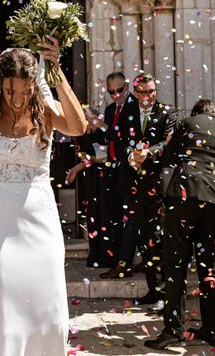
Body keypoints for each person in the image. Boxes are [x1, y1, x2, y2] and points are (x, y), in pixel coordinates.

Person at [0, 43, 87, 355]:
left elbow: (79, 126)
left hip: (39, 217)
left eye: (25, 91)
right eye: (9, 91)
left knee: (44, 291)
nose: (16, 100)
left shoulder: (46, 110)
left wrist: (56, 74)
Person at [145, 99, 215, 349]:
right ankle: (212, 329)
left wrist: (162, 197)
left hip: (186, 197)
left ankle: (173, 329)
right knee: (210, 268)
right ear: (214, 113)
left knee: (175, 264)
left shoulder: (185, 123)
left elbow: (168, 160)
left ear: (196, 114)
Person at [121, 75, 177, 308]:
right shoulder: (128, 111)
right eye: (143, 92)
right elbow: (121, 138)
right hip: (135, 184)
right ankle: (153, 288)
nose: (148, 96)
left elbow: (169, 143)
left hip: (158, 183)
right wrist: (130, 155)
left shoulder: (168, 112)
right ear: (135, 93)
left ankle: (165, 292)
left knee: (160, 236)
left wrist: (149, 153)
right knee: (144, 238)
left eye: (151, 91)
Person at [66, 107, 120, 268]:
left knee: (105, 215)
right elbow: (86, 156)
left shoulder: (104, 131)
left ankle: (107, 256)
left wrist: (80, 165)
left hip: (106, 177)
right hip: (91, 177)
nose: (89, 123)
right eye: (86, 120)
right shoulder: (84, 135)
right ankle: (95, 255)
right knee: (93, 215)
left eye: (91, 119)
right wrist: (80, 165)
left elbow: (104, 157)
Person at [99, 72, 139, 278]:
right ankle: (117, 261)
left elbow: (126, 136)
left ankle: (125, 263)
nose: (115, 95)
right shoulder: (109, 110)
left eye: (119, 90)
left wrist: (104, 127)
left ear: (127, 87)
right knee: (112, 215)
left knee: (132, 217)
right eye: (111, 91)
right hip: (112, 166)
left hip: (131, 169)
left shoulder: (135, 105)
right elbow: (109, 139)